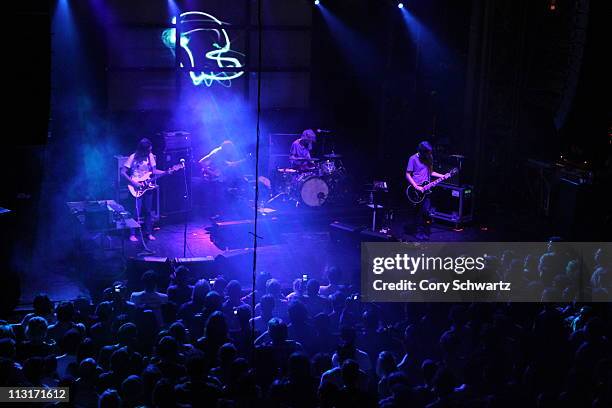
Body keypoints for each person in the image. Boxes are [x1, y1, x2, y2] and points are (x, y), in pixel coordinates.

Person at [121, 138, 167, 242]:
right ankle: (132, 234)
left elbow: (154, 171)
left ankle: (148, 233)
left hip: (147, 186)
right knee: (135, 211)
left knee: (148, 211)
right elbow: (123, 172)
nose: (150, 152)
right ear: (142, 149)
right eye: (148, 150)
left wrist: (166, 172)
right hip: (135, 186)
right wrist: (133, 183)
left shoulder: (150, 156)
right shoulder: (133, 157)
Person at [405, 141, 446, 241]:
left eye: (430, 152)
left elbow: (431, 172)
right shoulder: (413, 158)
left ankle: (423, 230)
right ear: (422, 151)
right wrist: (415, 186)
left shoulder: (429, 158)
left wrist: (443, 176)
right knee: (418, 211)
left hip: (426, 189)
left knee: (426, 210)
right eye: (427, 152)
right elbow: (407, 174)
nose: (430, 154)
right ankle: (417, 232)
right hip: (416, 189)